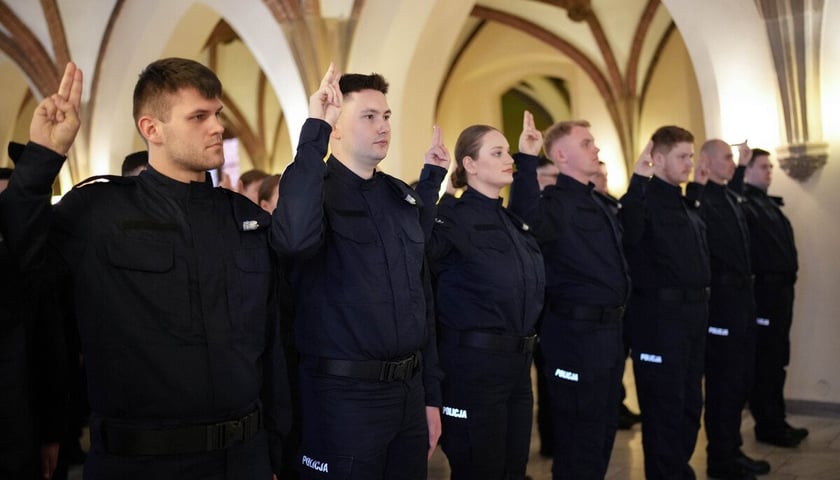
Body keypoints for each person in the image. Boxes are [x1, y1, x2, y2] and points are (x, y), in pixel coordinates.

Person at [0, 60, 291, 479]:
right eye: (198, 116)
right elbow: (19, 245)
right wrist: (45, 156)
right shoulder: (100, 214)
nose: (217, 128)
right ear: (151, 128)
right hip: (141, 462)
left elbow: (272, 344)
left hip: (242, 458)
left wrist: (277, 452)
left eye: (217, 114)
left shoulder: (244, 220)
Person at [271, 66, 442, 480]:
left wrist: (431, 396)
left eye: (386, 116)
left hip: (407, 392)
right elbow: (293, 240)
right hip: (342, 398)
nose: (383, 126)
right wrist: (313, 130)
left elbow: (423, 301)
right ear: (336, 129)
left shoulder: (400, 198)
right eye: (368, 116)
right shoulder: (316, 192)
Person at [415, 123, 545, 479]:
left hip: (517, 367)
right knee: (479, 469)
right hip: (473, 368)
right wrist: (431, 177)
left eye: (508, 152)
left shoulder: (507, 219)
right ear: (469, 165)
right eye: (498, 153)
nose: (509, 160)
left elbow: (533, 222)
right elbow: (416, 245)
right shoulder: (452, 216)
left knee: (514, 469)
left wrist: (529, 159)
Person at [509, 115, 630, 480]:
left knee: (604, 429)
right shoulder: (553, 203)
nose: (596, 148)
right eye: (586, 143)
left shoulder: (598, 203)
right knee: (579, 436)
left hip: (609, 335)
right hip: (575, 336)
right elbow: (523, 217)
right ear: (560, 156)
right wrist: (527, 158)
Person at [619, 126, 710, 480]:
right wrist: (637, 183)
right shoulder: (641, 201)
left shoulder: (682, 200)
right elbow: (631, 235)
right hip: (659, 321)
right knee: (663, 407)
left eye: (691, 155)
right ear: (657, 159)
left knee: (690, 404)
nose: (690, 163)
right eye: (682, 157)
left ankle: (678, 471)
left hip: (693, 316)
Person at [697, 139, 769, 479]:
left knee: (740, 382)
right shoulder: (701, 200)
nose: (732, 163)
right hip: (723, 307)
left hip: (743, 302)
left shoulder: (728, 195)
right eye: (726, 158)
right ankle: (720, 459)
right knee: (724, 386)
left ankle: (733, 450)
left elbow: (736, 189)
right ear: (707, 163)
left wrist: (741, 165)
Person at [731, 147, 809, 448]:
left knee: (777, 358)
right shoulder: (743, 202)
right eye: (763, 166)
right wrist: (737, 169)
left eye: (770, 167)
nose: (769, 171)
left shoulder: (766, 203)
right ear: (747, 171)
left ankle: (777, 419)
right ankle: (768, 424)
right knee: (765, 360)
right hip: (763, 293)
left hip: (780, 293)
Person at [591, 160, 643, 430]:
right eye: (599, 174)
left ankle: (618, 403)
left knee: (619, 358)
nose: (603, 179)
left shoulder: (613, 206)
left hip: (625, 299)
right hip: (601, 306)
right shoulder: (588, 210)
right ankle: (614, 404)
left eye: (605, 174)